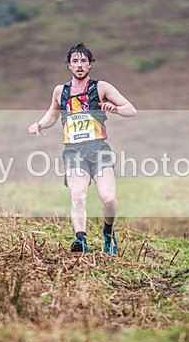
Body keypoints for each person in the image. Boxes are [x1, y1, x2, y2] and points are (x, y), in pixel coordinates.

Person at [28, 43, 136, 254]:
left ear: (90, 64)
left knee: (109, 199)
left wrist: (115, 108)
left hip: (99, 150)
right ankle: (81, 241)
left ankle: (108, 233)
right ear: (69, 65)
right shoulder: (61, 91)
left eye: (83, 61)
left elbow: (130, 109)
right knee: (78, 195)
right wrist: (39, 124)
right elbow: (52, 115)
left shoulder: (101, 87)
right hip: (74, 151)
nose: (79, 65)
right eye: (75, 61)